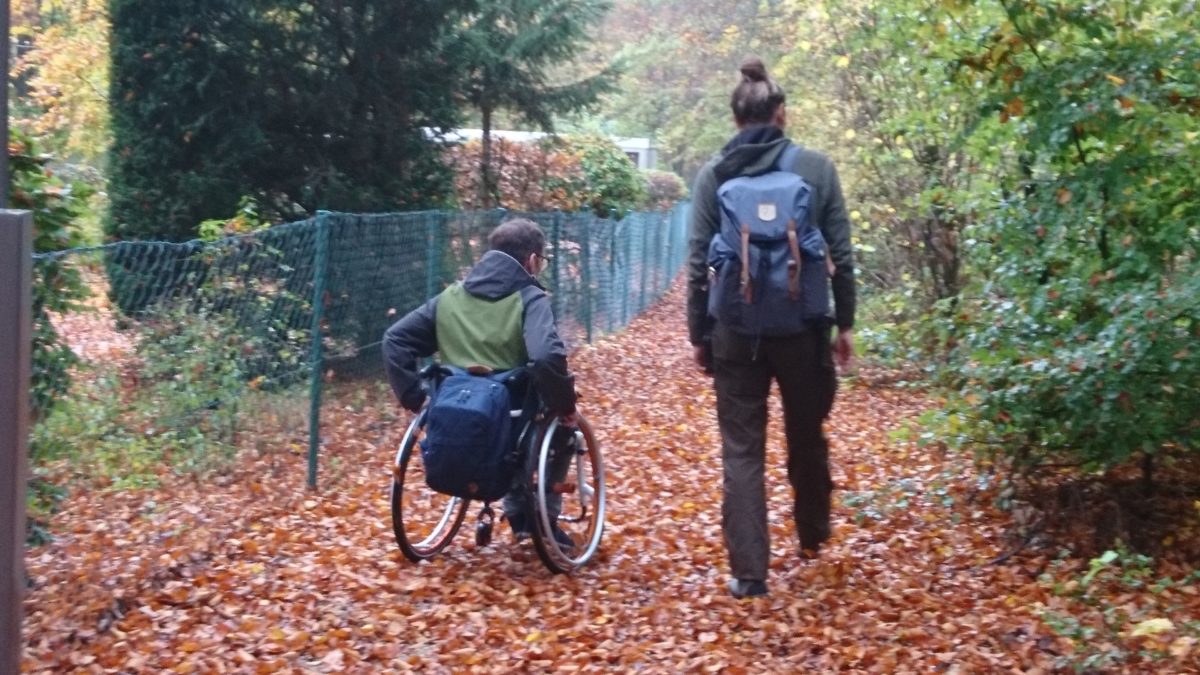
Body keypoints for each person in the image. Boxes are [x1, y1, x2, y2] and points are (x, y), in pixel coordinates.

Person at [686, 58, 856, 598]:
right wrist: (845, 323)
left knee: (741, 447)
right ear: (781, 113)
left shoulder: (715, 175)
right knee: (806, 433)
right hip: (804, 330)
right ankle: (811, 534)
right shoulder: (817, 169)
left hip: (735, 328)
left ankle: (749, 573)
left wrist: (700, 333)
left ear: (736, 118)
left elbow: (696, 262)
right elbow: (842, 254)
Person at [383, 217, 578, 546]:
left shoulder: (451, 298)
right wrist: (564, 405)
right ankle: (532, 518)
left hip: (452, 407)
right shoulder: (529, 299)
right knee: (562, 431)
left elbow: (395, 340)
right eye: (541, 262)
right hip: (514, 414)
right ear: (531, 260)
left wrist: (415, 398)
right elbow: (546, 357)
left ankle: (513, 511)